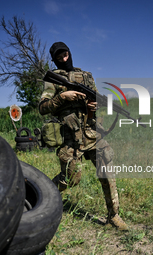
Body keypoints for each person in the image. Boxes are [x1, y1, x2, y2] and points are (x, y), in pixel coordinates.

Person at [39, 42, 128, 231]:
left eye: (65, 54)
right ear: (54, 59)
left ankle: (114, 216)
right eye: (59, 57)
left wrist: (93, 107)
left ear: (69, 53)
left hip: (92, 131)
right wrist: (63, 97)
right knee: (70, 179)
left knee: (107, 174)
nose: (64, 59)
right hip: (71, 136)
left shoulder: (86, 76)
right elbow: (43, 107)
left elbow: (95, 100)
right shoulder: (53, 79)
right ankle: (41, 196)